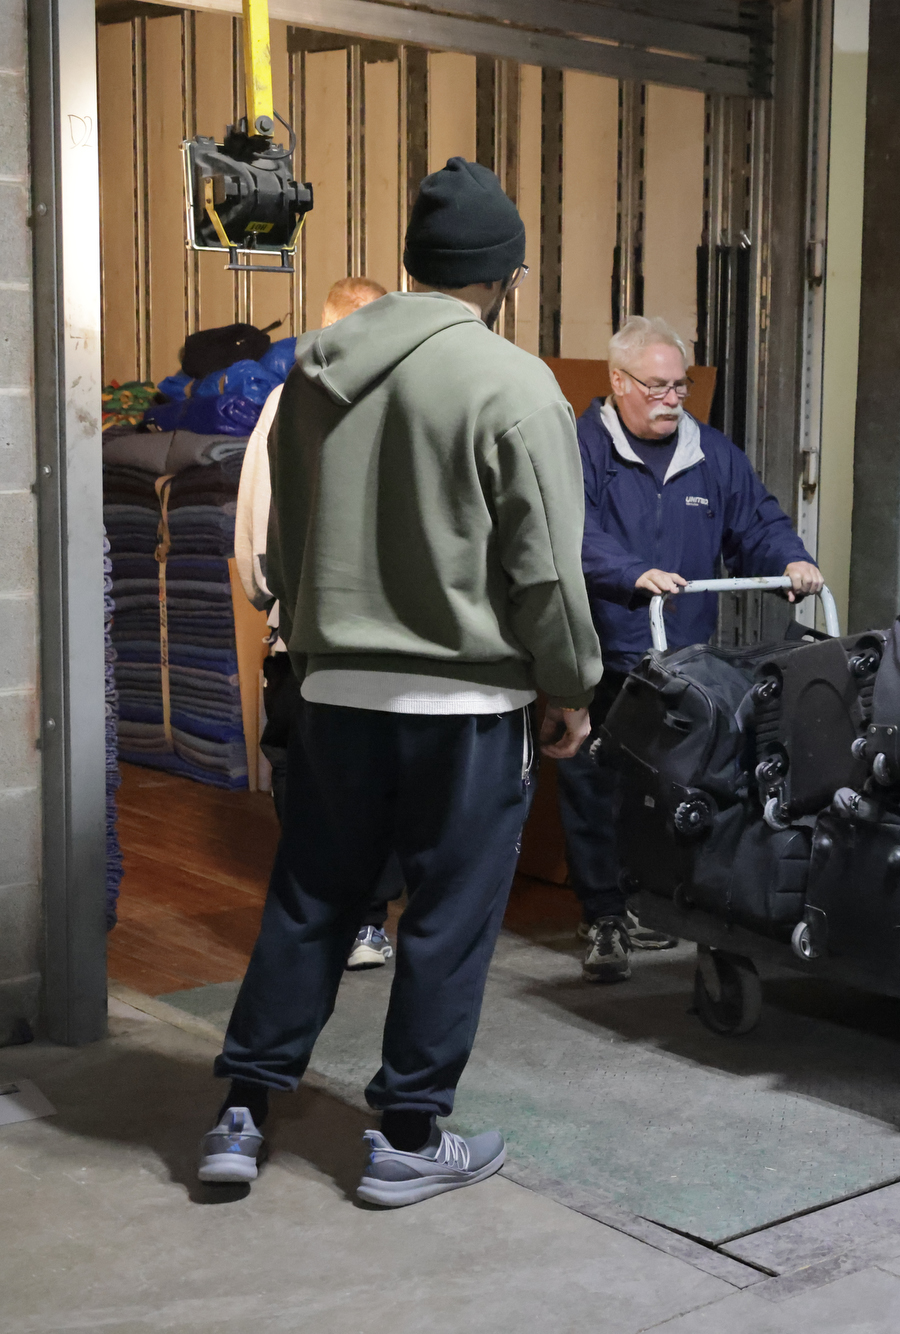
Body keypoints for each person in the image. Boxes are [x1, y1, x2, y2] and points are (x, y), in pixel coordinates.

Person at [198, 158, 600, 1207]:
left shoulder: (312, 373)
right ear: (504, 276)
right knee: (446, 918)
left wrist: (313, 643)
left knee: (311, 900)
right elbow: (545, 569)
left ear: (416, 262)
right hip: (465, 706)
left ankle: (241, 1114)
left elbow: (286, 537)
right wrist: (569, 684)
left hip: (333, 691)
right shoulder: (515, 386)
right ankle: (408, 1136)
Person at [562, 315, 823, 983]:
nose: (673, 399)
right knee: (597, 787)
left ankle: (657, 901)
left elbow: (756, 521)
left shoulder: (711, 453)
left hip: (681, 662)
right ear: (618, 381)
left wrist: (789, 561)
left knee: (674, 785)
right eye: (657, 386)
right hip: (604, 652)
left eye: (679, 386)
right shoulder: (581, 449)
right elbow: (571, 533)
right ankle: (604, 914)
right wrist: (630, 574)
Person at [234, 276, 404, 972]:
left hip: (302, 632)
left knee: (306, 776)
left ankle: (324, 918)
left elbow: (256, 521)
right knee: (374, 779)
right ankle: (363, 921)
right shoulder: (406, 400)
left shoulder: (286, 402)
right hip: (380, 637)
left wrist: (268, 602)